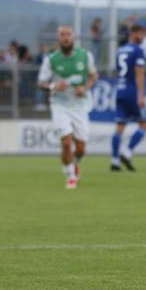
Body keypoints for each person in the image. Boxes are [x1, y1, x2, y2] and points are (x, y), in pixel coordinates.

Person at [36, 26, 98, 189]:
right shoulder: (51, 59)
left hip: (80, 105)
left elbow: (94, 76)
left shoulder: (85, 56)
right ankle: (71, 175)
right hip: (59, 105)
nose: (66, 38)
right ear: (58, 38)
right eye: (62, 35)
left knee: (81, 148)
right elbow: (41, 83)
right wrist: (53, 86)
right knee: (65, 142)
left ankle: (74, 163)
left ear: (74, 37)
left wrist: (85, 88)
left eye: (68, 34)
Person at [111, 24, 146, 172]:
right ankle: (126, 152)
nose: (144, 38)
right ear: (135, 33)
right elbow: (139, 72)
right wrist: (141, 95)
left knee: (120, 127)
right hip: (132, 92)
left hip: (120, 90)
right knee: (145, 124)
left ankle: (115, 161)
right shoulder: (138, 50)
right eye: (143, 34)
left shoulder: (120, 50)